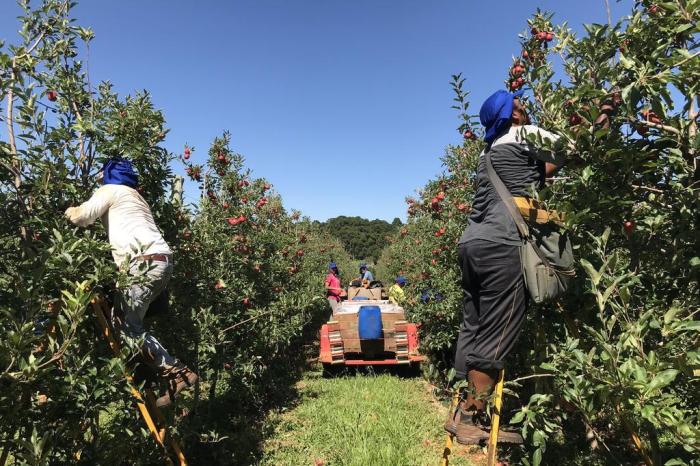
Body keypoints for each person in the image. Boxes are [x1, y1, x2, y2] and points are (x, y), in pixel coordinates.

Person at [445, 89, 571, 445]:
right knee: (499, 330)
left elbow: (542, 169)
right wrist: (605, 113)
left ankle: (459, 408)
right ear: (513, 116)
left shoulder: (489, 152)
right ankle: (472, 417)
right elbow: (573, 147)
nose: (526, 108)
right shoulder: (524, 135)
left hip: (472, 245)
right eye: (520, 105)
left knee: (474, 323)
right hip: (502, 245)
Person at [65, 158, 198, 408]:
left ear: (108, 175)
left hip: (142, 262)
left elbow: (82, 218)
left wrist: (69, 211)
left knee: (126, 328)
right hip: (162, 261)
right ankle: (159, 373)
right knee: (132, 323)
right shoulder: (136, 197)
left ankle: (176, 371)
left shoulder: (110, 190)